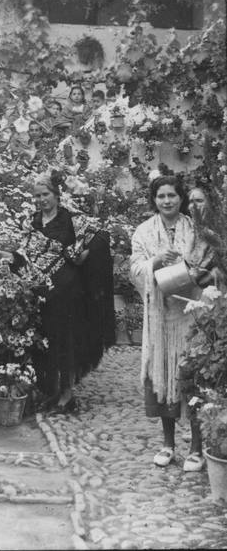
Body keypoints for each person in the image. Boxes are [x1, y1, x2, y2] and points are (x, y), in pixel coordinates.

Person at [130, 175, 210, 472]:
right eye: (161, 196)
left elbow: (207, 263)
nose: (166, 201)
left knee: (192, 377)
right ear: (154, 200)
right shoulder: (143, 232)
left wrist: (191, 269)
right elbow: (135, 268)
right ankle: (168, 444)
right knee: (162, 375)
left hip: (190, 315)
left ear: (181, 198)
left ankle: (197, 447)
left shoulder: (196, 229)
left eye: (172, 196)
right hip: (160, 318)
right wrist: (155, 261)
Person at [18, 174, 114, 412]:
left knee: (65, 343)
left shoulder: (72, 220)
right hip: (41, 292)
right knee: (46, 343)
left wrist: (83, 255)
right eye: (37, 196)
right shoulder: (32, 223)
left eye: (46, 194)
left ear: (57, 195)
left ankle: (67, 396)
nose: (42, 200)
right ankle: (53, 391)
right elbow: (26, 254)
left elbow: (98, 237)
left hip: (68, 293)